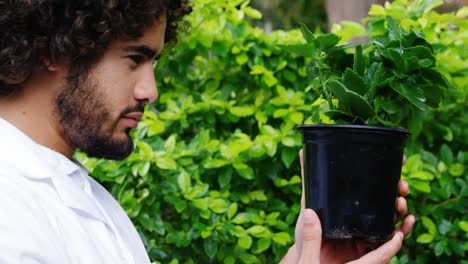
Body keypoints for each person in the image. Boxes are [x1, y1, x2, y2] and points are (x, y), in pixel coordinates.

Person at [0, 1, 414, 263]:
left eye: (155, 63)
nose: (150, 91)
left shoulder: (85, 197)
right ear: (56, 48)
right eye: (134, 59)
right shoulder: (10, 212)